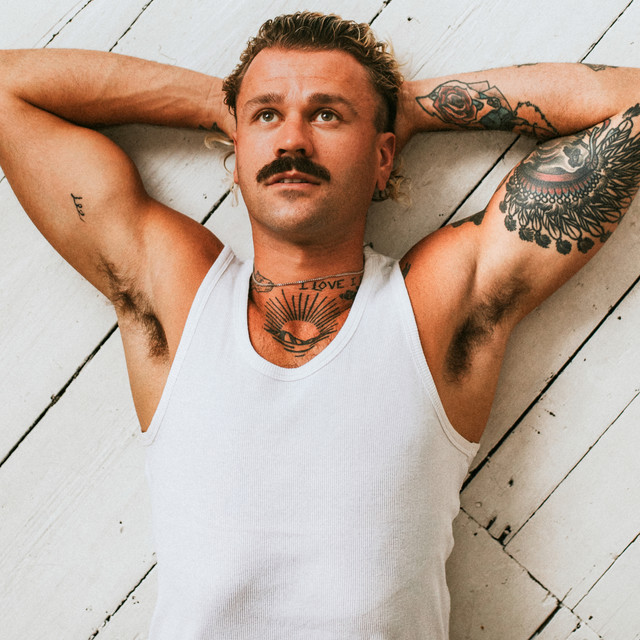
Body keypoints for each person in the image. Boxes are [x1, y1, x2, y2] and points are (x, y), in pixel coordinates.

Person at [1, 10, 639, 639]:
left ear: (383, 157)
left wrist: (412, 108)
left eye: (328, 114)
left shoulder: (435, 307)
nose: (292, 142)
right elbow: (8, 88)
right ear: (236, 151)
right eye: (267, 117)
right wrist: (221, 105)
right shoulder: (176, 296)